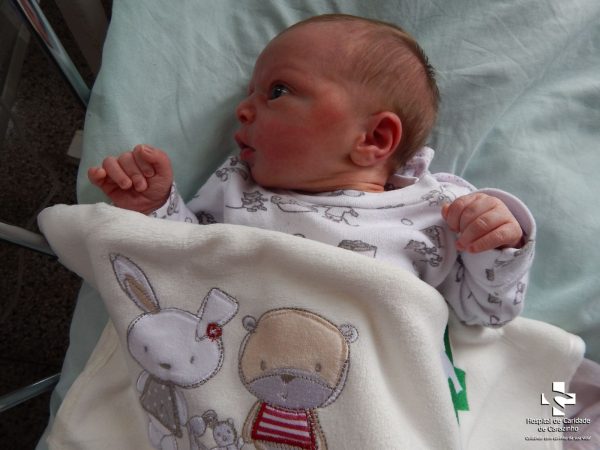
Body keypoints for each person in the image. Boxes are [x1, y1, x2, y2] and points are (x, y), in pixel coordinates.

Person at [88, 14, 535, 327]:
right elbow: (187, 261)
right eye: (250, 92)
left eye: (277, 91)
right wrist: (156, 206)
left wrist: (496, 243)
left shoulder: (438, 208)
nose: (243, 109)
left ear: (374, 138)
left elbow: (485, 314)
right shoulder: (236, 186)